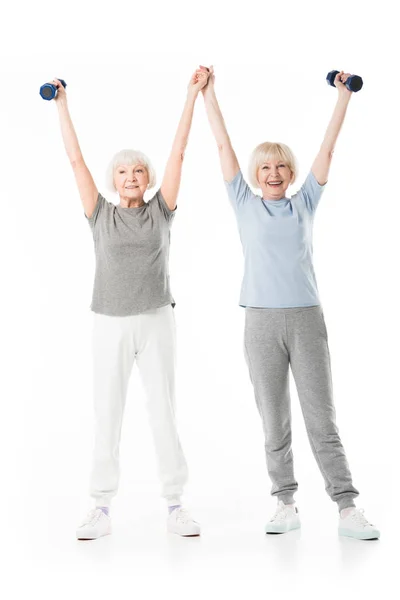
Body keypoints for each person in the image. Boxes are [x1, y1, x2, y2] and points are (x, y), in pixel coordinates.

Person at [200, 66, 380, 540]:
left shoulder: (305, 202)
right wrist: (209, 96)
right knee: (273, 418)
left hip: (305, 319)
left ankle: (347, 506)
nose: (273, 173)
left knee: (322, 417)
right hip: (259, 322)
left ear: (291, 172)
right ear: (256, 175)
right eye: (265, 167)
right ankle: (285, 502)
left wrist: (343, 97)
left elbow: (328, 147)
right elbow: (223, 146)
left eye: (281, 166)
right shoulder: (243, 201)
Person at [50, 67, 209, 540]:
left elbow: (179, 151)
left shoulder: (162, 209)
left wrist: (191, 96)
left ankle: (176, 503)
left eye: (139, 170)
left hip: (157, 319)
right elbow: (75, 160)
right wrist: (61, 104)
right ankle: (100, 507)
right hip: (110, 322)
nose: (132, 176)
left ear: (148, 177)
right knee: (108, 410)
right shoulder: (99, 214)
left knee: (163, 408)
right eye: (123, 171)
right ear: (114, 179)